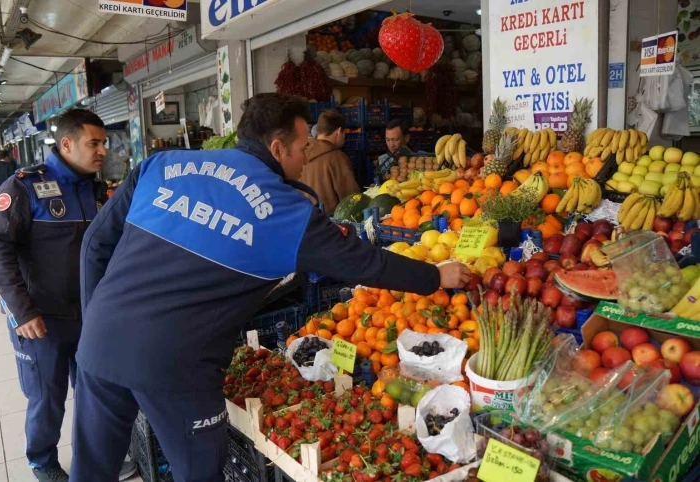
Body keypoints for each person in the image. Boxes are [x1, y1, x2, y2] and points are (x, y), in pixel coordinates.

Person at [70, 93, 472, 482]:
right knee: (199, 470)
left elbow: (94, 245)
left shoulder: (159, 165)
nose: (306, 158)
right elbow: (367, 263)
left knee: (91, 470)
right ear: (278, 148)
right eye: (303, 147)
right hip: (177, 365)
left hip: (101, 340)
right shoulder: (286, 211)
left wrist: (96, 320)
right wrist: (437, 276)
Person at [0, 110, 136, 482]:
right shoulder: (24, 187)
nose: (102, 150)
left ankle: (98, 457)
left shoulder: (97, 189)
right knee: (47, 397)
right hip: (41, 321)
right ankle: (41, 459)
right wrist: (22, 312)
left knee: (95, 394)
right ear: (66, 143)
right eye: (94, 143)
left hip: (90, 317)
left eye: (104, 143)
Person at [300, 109, 360, 215]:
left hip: (303, 219)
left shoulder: (300, 153)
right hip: (329, 223)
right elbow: (351, 199)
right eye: (344, 134)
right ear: (338, 132)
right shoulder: (337, 158)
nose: (344, 138)